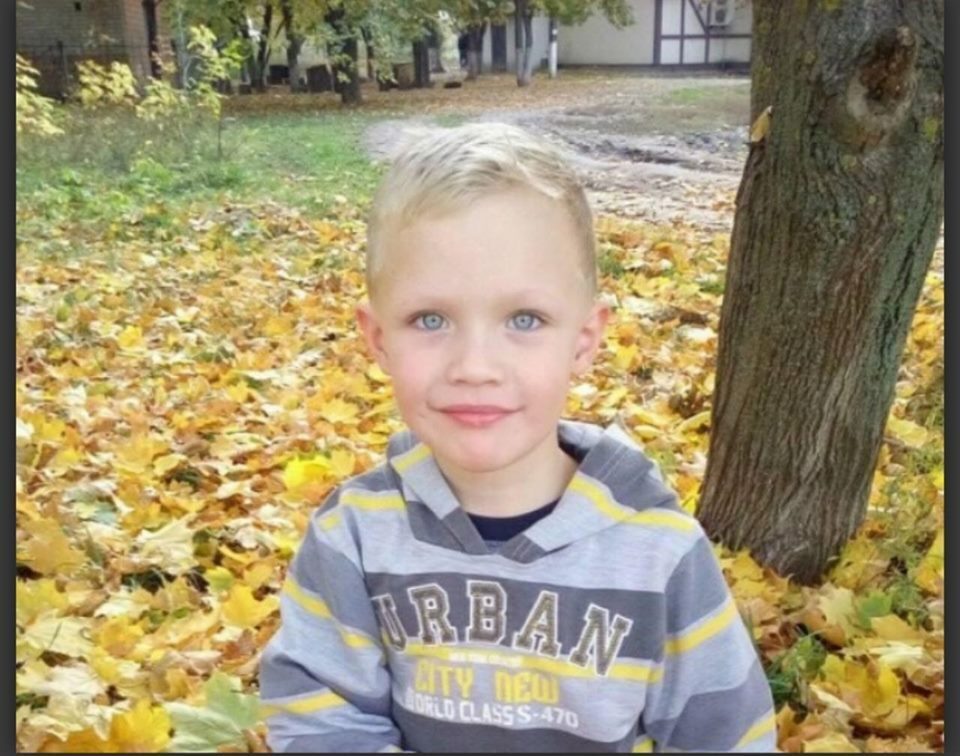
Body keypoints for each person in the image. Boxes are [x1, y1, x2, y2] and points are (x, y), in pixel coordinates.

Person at [258, 122, 777, 752]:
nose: (475, 366)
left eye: (524, 320)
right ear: (379, 339)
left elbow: (728, 737)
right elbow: (322, 723)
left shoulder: (659, 553)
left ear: (583, 340)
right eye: (430, 319)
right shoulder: (355, 538)